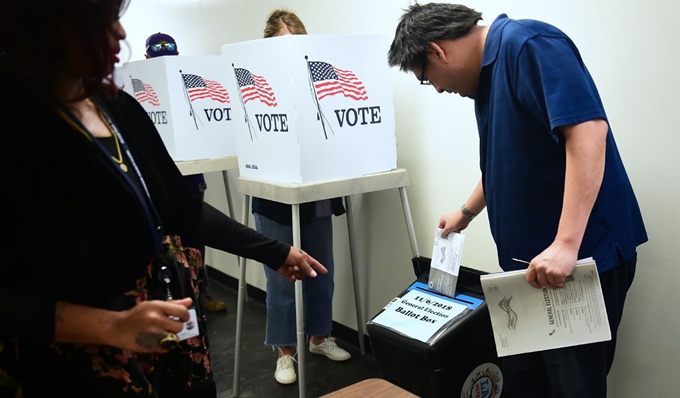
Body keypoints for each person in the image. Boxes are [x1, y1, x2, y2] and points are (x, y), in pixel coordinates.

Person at [0, 1, 326, 397]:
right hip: (77, 366)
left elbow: (182, 209)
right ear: (48, 29)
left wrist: (274, 252)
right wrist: (111, 326)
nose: (120, 35)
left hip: (164, 340)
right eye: (104, 22)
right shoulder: (17, 128)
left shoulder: (118, 108)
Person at [388, 3, 647, 398]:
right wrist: (465, 213)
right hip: (531, 272)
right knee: (531, 383)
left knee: (573, 386)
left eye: (429, 79)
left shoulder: (529, 45)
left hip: (576, 265)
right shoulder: (487, 79)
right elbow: (506, 159)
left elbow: (589, 133)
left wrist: (565, 245)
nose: (439, 89)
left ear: (437, 51)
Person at [252, 8, 351, 386]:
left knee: (322, 269)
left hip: (317, 194)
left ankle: (319, 338)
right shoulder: (257, 90)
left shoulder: (316, 82)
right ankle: (283, 353)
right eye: (282, 46)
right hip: (274, 196)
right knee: (282, 278)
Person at [144, 31, 227, 314]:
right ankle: (168, 298)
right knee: (165, 241)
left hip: (190, 177)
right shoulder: (139, 90)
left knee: (194, 240)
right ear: (146, 59)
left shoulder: (185, 83)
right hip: (156, 180)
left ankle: (199, 295)